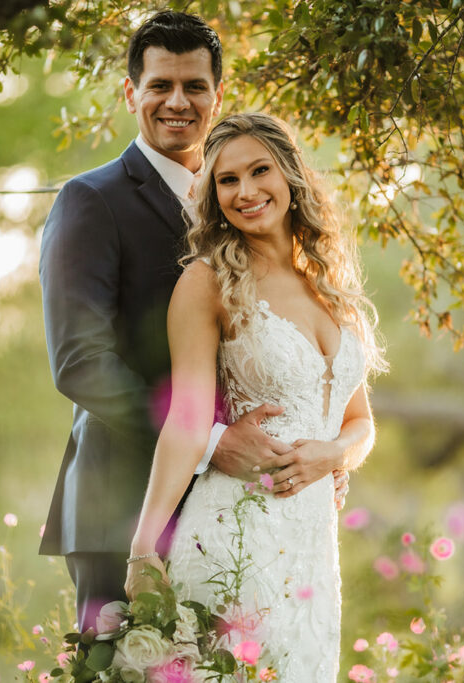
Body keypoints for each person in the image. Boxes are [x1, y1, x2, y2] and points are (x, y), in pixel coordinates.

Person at [38, 12, 353, 633]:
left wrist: (317, 450)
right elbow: (79, 362)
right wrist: (213, 442)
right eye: (160, 85)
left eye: (194, 86)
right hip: (124, 504)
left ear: (218, 94)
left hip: (245, 510)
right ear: (131, 93)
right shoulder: (90, 200)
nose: (177, 102)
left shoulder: (239, 201)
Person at [125, 113, 386, 680]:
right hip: (234, 534)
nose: (245, 191)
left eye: (259, 171)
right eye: (227, 180)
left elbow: (360, 421)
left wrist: (333, 455)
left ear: (290, 175)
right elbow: (186, 420)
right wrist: (143, 551)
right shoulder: (207, 282)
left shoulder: (330, 284)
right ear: (214, 196)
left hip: (313, 553)